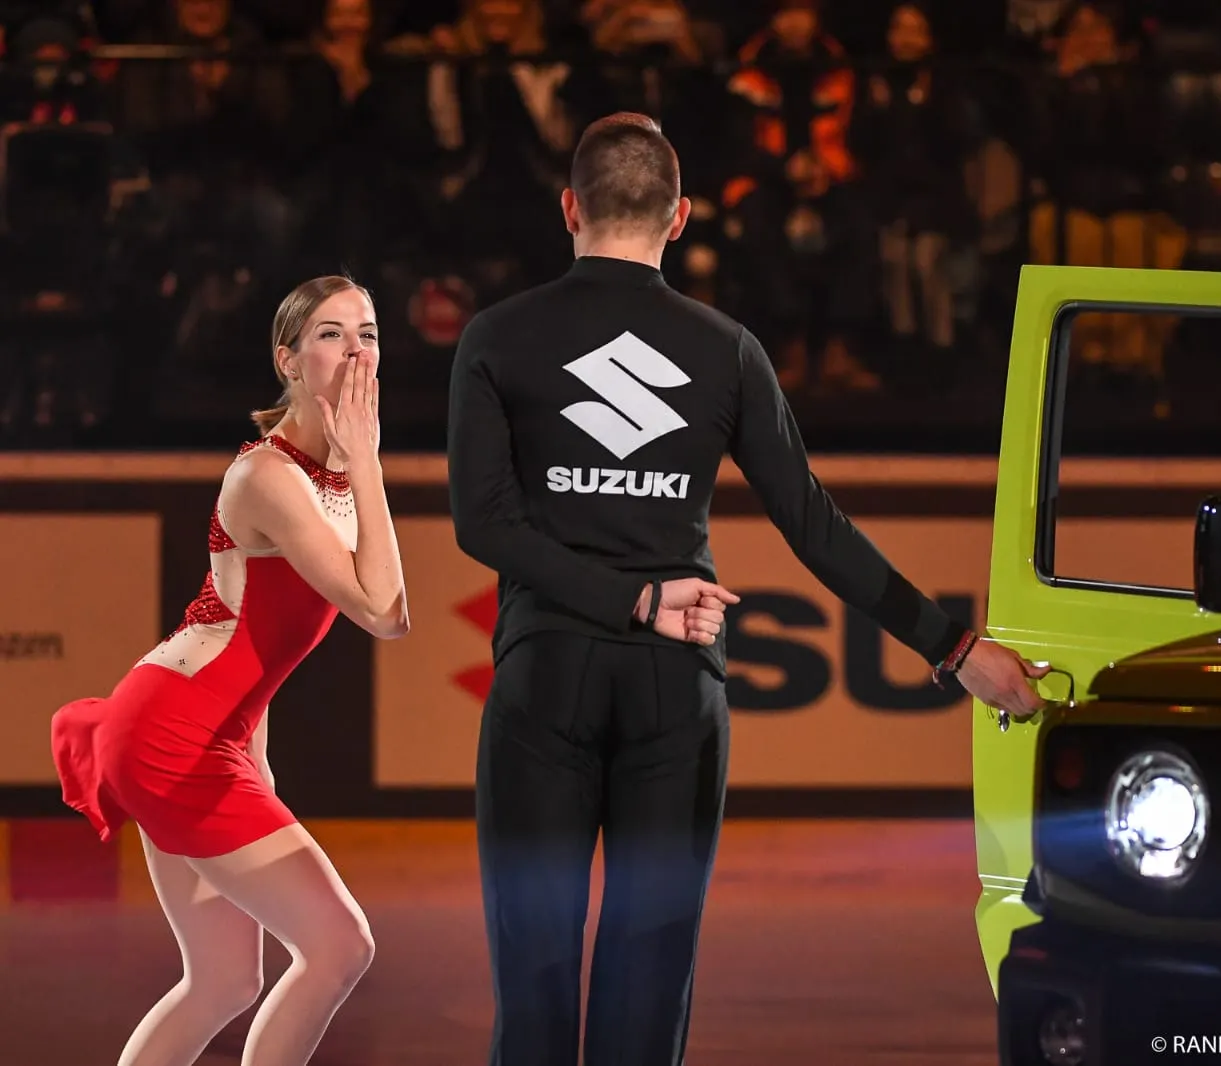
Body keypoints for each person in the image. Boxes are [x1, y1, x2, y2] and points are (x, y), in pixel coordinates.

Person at [447, 112, 1047, 1066]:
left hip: (542, 679)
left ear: (570, 208)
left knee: (536, 976)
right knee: (648, 980)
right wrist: (952, 646)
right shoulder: (724, 348)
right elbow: (814, 527)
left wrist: (615, 599)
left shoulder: (498, 336)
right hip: (673, 688)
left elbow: (485, 526)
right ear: (680, 218)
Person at [48, 275, 409, 1066]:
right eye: (331, 333)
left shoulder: (335, 476)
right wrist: (373, 464)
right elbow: (385, 613)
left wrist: (259, 763)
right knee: (341, 946)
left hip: (195, 732)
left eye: (370, 332)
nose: (357, 350)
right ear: (287, 359)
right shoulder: (269, 477)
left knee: (220, 982)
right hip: (171, 733)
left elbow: (249, 630)